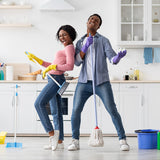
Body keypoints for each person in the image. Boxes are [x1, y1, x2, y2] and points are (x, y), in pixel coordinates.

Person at [68, 14, 130, 151]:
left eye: (96, 21)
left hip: (101, 82)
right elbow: (77, 62)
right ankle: (75, 141)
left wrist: (117, 58)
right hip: (84, 82)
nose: (93, 21)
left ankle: (123, 140)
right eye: (91, 19)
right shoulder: (79, 42)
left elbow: (112, 58)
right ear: (87, 22)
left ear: (98, 26)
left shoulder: (103, 41)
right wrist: (84, 47)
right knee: (75, 111)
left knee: (112, 110)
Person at [26, 25, 77, 151]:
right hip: (54, 78)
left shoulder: (70, 48)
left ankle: (52, 134)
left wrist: (53, 68)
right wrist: (39, 61)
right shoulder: (66, 48)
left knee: (38, 104)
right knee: (56, 112)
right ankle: (59, 142)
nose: (62, 37)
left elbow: (70, 66)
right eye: (60, 36)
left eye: (64, 34)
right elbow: (53, 65)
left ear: (71, 35)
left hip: (55, 80)